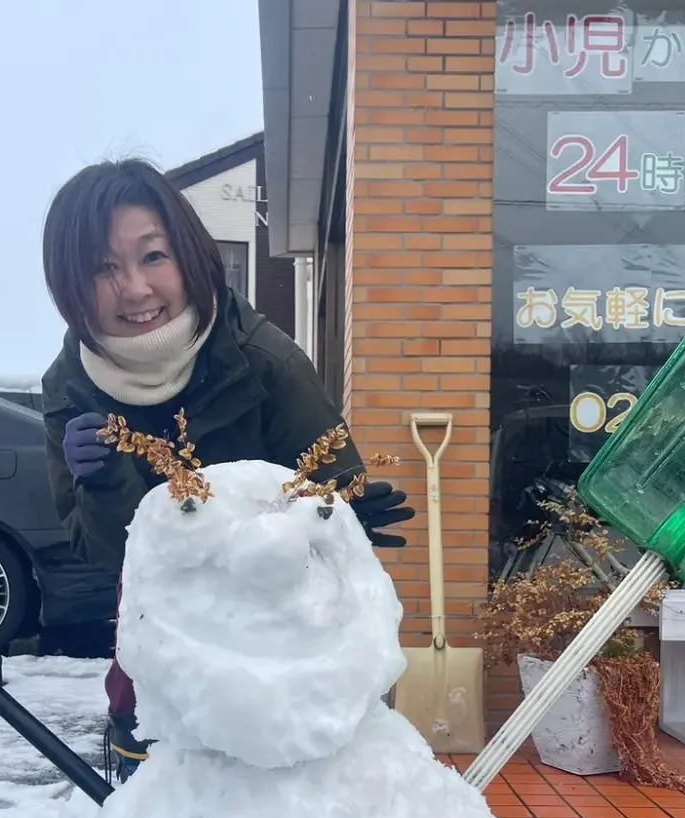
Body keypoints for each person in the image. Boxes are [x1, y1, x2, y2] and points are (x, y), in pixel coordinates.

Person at [39, 158, 415, 783]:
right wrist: (103, 485)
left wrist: (339, 516)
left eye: (153, 257)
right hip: (163, 657)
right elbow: (104, 558)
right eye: (105, 268)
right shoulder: (72, 389)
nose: (135, 289)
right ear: (71, 283)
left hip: (278, 651)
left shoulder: (261, 361)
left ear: (188, 256)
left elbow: (332, 493)